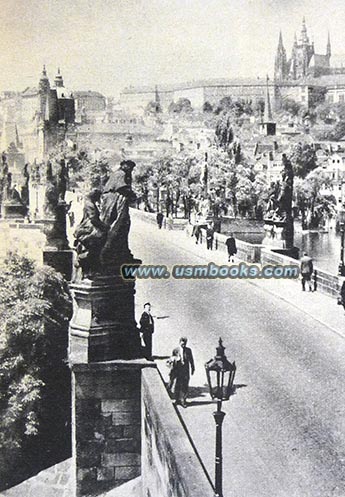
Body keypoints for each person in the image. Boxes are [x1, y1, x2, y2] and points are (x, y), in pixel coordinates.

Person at [171, 337, 195, 408]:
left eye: (185, 344)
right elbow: (172, 359)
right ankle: (176, 400)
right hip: (178, 370)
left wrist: (193, 368)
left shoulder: (188, 350)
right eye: (182, 344)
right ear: (179, 343)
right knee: (177, 384)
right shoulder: (175, 350)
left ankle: (183, 400)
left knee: (185, 385)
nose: (183, 345)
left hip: (185, 370)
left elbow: (191, 360)